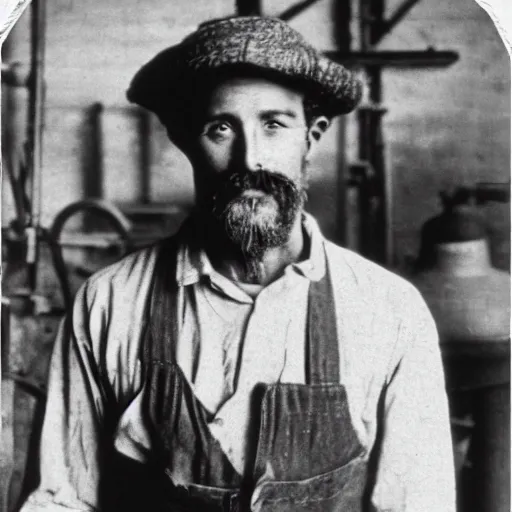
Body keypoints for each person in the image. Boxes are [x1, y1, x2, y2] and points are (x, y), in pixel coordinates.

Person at [21, 15, 455, 512]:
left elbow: (419, 502)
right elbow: (60, 500)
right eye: (221, 128)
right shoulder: (110, 302)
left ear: (311, 136)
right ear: (185, 139)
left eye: (274, 124)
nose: (250, 160)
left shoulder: (388, 310)